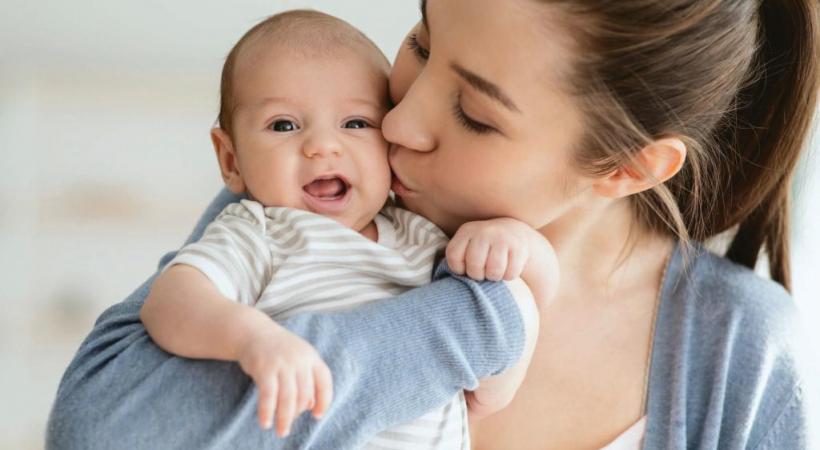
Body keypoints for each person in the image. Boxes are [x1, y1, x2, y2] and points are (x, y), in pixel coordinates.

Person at [47, 0, 819, 449]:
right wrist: (485, 318)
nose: (398, 121)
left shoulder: (734, 352)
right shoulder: (318, 212)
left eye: (475, 114)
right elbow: (97, 431)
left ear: (624, 166)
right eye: (422, 40)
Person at [138, 10, 555, 448]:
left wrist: (515, 241)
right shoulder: (259, 233)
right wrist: (251, 339)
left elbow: (524, 300)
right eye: (284, 125)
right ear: (231, 160)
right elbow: (169, 302)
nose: (323, 146)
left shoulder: (419, 233)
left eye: (355, 123)